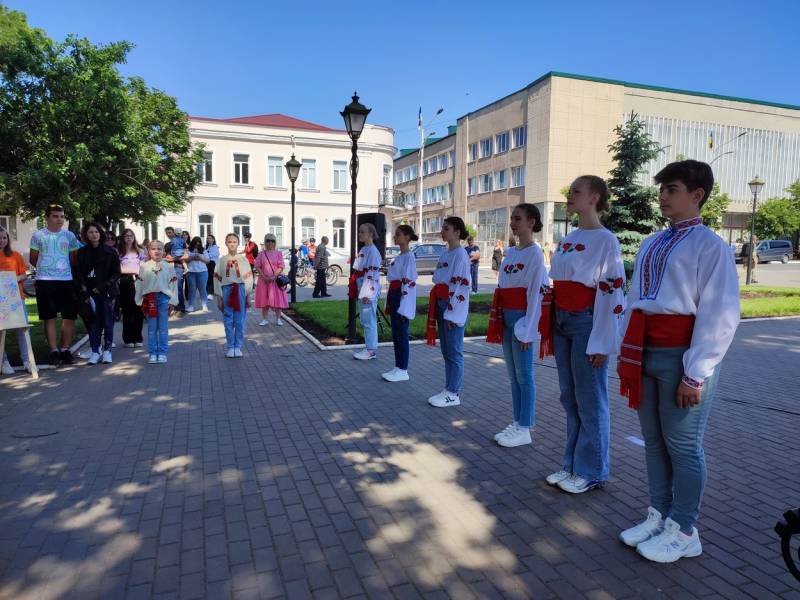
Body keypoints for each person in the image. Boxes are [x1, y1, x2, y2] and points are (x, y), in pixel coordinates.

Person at [617, 160, 740, 563]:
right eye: (662, 190)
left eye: (671, 189)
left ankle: (685, 529)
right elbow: (636, 300)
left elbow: (720, 312)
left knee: (683, 445)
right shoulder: (653, 241)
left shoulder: (711, 246)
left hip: (683, 355)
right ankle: (660, 515)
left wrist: (696, 372)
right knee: (654, 441)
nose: (662, 197)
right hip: (647, 349)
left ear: (697, 195)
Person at [541, 176, 625, 493]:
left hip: (586, 322)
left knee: (591, 398)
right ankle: (572, 464)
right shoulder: (569, 238)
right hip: (562, 320)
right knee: (570, 396)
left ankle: (592, 470)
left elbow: (612, 293)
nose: (569, 195)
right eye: (570, 190)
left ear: (594, 198)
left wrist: (604, 340)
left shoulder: (606, 241)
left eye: (576, 191)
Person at [485, 205, 548, 447]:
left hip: (522, 319)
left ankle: (525, 426)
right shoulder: (510, 252)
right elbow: (503, 284)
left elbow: (535, 293)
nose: (513, 222)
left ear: (531, 222)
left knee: (525, 376)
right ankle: (517, 421)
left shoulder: (534, 253)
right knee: (513, 376)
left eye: (518, 219)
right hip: (507, 318)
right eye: (512, 218)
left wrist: (529, 330)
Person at [426, 216, 471, 407]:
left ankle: (454, 392)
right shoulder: (445, 253)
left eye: (446, 228)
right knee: (446, 349)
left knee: (454, 350)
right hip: (442, 301)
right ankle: (448, 388)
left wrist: (454, 313)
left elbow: (462, 286)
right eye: (442, 228)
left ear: (457, 232)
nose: (442, 231)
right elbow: (438, 276)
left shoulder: (460, 255)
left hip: (452, 304)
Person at [29, 204, 81, 366]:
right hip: (45, 281)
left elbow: (74, 259)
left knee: (69, 317)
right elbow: (33, 259)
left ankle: (65, 350)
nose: (59, 219)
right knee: (49, 317)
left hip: (66, 281)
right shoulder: (38, 235)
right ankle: (53, 351)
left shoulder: (70, 236)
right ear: (47, 218)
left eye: (61, 216)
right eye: (55, 216)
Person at [76, 222, 121, 365]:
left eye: (96, 232)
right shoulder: (82, 252)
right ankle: (95, 351)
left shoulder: (110, 251)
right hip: (90, 293)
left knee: (108, 322)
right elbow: (78, 274)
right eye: (90, 232)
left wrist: (103, 286)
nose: (93, 234)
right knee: (93, 323)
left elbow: (116, 273)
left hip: (107, 292)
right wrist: (85, 290)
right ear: (86, 235)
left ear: (100, 234)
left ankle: (107, 351)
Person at [382, 225, 418, 383]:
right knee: (396, 333)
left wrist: (405, 306)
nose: (395, 237)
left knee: (402, 333)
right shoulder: (400, 256)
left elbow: (409, 282)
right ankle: (398, 366)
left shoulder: (409, 257)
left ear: (407, 237)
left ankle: (403, 368)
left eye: (398, 234)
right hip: (395, 294)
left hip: (401, 296)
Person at [135, 240, 177, 364]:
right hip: (149, 299)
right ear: (149, 251)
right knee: (152, 328)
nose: (156, 251)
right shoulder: (144, 266)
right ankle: (153, 353)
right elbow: (139, 284)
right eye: (153, 249)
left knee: (163, 328)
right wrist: (139, 300)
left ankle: (162, 352)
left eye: (159, 248)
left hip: (164, 298)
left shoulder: (168, 266)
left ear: (163, 251)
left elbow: (174, 284)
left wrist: (173, 301)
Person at [215, 233, 254, 357]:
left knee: (239, 320)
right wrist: (219, 297)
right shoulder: (222, 260)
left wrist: (248, 295)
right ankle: (230, 346)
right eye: (229, 241)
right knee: (228, 320)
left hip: (240, 290)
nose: (232, 244)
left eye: (234, 242)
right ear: (226, 243)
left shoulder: (243, 260)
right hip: (226, 290)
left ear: (238, 243)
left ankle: (238, 346)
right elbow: (217, 279)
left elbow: (248, 278)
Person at [0, 227, 31, 375]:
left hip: (17, 299)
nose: (2, 241)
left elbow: (23, 275)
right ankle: (4, 361)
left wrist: (12, 280)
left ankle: (27, 361)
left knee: (22, 329)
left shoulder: (15, 255)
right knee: (1, 331)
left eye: (4, 238)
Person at [349, 223, 382, 360]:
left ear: (370, 234)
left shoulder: (373, 252)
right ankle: (369, 347)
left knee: (369, 319)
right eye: (359, 231)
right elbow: (358, 267)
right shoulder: (364, 249)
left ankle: (371, 350)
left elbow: (372, 275)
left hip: (367, 288)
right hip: (362, 285)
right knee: (365, 319)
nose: (360, 234)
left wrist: (369, 293)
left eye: (362, 232)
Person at [117, 229, 147, 347]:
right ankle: (128, 339)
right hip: (125, 281)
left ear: (134, 237)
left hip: (139, 280)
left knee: (138, 310)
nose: (129, 238)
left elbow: (143, 267)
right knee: (127, 310)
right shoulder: (119, 251)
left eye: (131, 236)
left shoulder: (140, 251)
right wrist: (133, 270)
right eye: (126, 236)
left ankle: (138, 338)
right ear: (123, 238)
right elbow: (119, 269)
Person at [254, 234, 288, 326]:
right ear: (265, 242)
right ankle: (264, 319)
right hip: (264, 281)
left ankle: (278, 319)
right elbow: (257, 266)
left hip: (275, 281)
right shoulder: (261, 254)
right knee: (264, 300)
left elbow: (281, 266)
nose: (270, 243)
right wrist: (264, 276)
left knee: (278, 300)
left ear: (275, 242)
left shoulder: (278, 253)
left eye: (272, 241)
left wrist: (274, 276)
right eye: (268, 240)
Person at [164, 227, 187, 313]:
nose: (168, 234)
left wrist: (173, 258)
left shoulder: (181, 241)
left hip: (178, 266)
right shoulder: (167, 245)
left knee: (178, 287)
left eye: (170, 232)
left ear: (174, 232)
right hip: (168, 267)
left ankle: (181, 308)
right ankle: (172, 308)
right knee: (168, 288)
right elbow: (164, 256)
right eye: (167, 233)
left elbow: (186, 255)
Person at [185, 237, 210, 312]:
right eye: (195, 244)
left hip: (202, 272)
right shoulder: (188, 250)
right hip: (191, 272)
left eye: (198, 244)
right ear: (193, 243)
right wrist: (192, 258)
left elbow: (208, 261)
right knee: (192, 290)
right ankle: (191, 306)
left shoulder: (204, 250)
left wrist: (200, 258)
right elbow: (185, 260)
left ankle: (204, 305)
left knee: (202, 289)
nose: (197, 245)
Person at [205, 234, 220, 300]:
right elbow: (203, 254)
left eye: (210, 238)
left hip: (212, 263)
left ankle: (210, 292)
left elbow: (215, 254)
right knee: (207, 278)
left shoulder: (215, 247)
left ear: (213, 239)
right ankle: (207, 292)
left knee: (211, 277)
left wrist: (207, 255)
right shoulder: (205, 247)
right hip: (206, 263)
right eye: (208, 238)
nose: (209, 239)